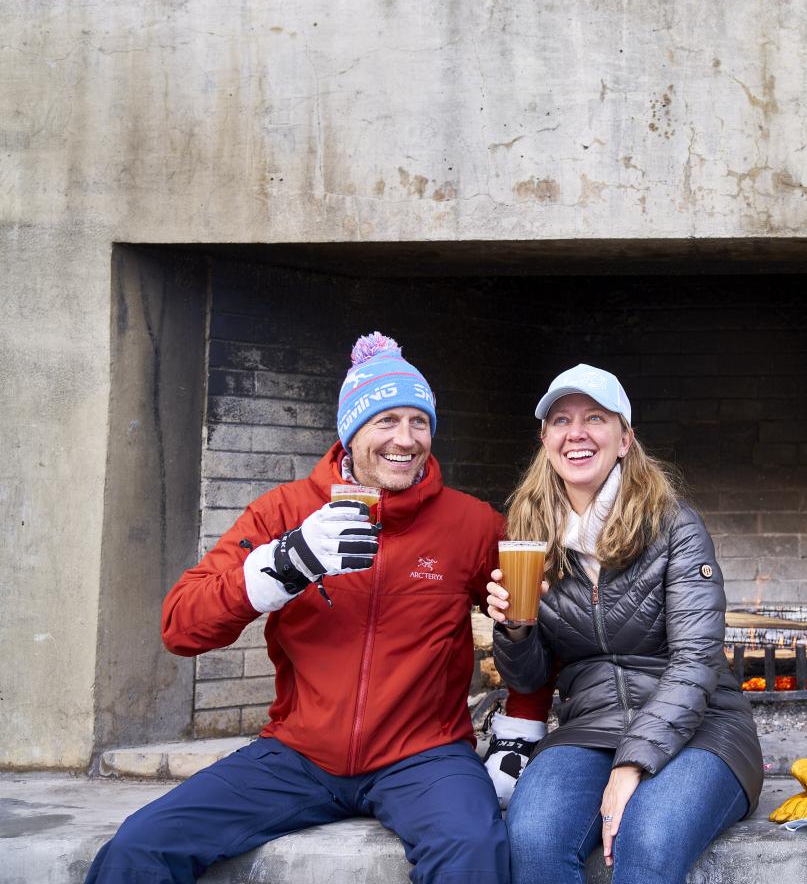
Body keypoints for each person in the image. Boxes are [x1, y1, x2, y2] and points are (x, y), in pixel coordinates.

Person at [86, 333, 512, 884]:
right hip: (298, 757)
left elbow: (534, 624)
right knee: (140, 846)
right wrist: (285, 564)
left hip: (426, 758)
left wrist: (521, 727)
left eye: (419, 422)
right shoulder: (283, 511)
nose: (405, 439)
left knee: (474, 849)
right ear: (351, 431)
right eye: (386, 420)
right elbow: (181, 626)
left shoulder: (472, 523)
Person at [487, 363, 762, 884]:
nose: (577, 432)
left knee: (647, 840)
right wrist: (515, 630)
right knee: (534, 840)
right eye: (561, 420)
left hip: (703, 730)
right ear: (545, 440)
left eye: (595, 418)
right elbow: (528, 679)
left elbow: (696, 661)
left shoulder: (674, 524)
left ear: (625, 439)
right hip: (590, 729)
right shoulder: (530, 532)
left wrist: (630, 766)